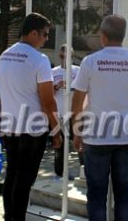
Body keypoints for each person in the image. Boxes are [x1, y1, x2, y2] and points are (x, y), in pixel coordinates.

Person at [71, 14, 128, 221]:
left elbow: (77, 101)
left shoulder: (90, 62)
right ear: (123, 36)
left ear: (103, 35)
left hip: (96, 136)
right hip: (127, 136)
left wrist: (76, 132)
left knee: (96, 195)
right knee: (124, 194)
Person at [0, 12, 61, 221]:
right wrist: (57, 130)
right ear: (33, 33)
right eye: (44, 34)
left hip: (10, 126)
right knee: (24, 181)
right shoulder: (39, 59)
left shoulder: (4, 56)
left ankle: (10, 216)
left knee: (12, 175)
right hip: (32, 129)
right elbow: (48, 101)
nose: (46, 39)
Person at [51, 44, 80, 178]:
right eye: (63, 54)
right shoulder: (53, 72)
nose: (65, 57)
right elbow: (47, 94)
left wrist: (71, 87)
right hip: (59, 114)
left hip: (76, 115)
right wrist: (57, 86)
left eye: (68, 54)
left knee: (80, 143)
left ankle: (83, 171)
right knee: (60, 145)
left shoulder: (78, 71)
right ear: (59, 55)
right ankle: (59, 173)